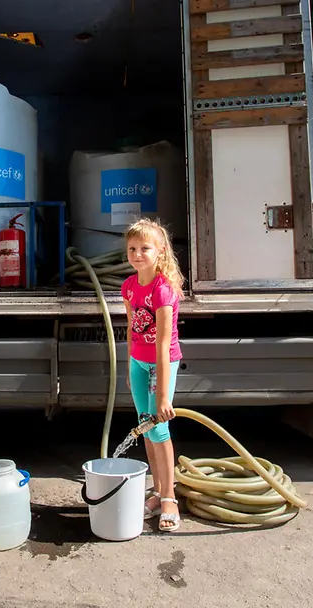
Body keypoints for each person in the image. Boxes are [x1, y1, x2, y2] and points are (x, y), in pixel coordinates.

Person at [121, 217, 185, 533]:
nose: (137, 254)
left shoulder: (163, 291)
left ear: (159, 251)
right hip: (138, 362)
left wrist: (162, 395)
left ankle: (171, 497)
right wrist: (130, 366)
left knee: (160, 430)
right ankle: (157, 490)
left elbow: (161, 343)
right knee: (146, 428)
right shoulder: (129, 287)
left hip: (162, 363)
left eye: (144, 248)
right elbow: (133, 331)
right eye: (132, 248)